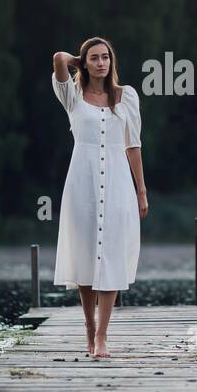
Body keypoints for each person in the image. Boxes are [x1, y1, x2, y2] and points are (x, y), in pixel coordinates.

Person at [51, 38, 147, 358]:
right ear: (85, 62)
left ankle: (103, 336)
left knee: (112, 258)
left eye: (106, 57)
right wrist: (78, 60)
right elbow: (58, 58)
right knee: (86, 257)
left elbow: (133, 145)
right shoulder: (73, 96)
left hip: (119, 184)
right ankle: (89, 329)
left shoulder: (126, 96)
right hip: (82, 184)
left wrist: (141, 191)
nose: (101, 63)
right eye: (94, 58)